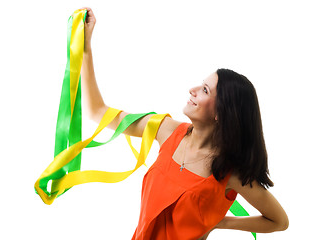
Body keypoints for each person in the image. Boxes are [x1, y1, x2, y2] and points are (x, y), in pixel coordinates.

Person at [79, 7, 289, 240]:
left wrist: (221, 222)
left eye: (205, 90)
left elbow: (279, 221)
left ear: (221, 113)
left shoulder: (230, 173)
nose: (193, 90)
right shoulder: (166, 129)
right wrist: (86, 46)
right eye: (201, 84)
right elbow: (97, 111)